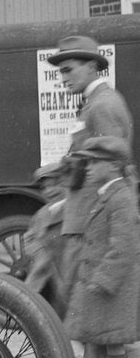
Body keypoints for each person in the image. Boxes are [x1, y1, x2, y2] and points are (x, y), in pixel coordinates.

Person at [61, 136, 140, 358]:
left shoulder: (120, 198)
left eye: (95, 162)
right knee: (110, 340)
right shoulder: (109, 194)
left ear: (115, 166)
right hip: (107, 283)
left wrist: (103, 280)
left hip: (114, 285)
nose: (89, 167)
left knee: (115, 340)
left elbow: (125, 246)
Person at [47, 35, 134, 238]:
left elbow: (111, 168)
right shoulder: (95, 101)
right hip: (86, 210)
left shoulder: (101, 105)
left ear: (92, 66)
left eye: (68, 70)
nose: (63, 79)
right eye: (61, 72)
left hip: (93, 219)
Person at [23, 162, 68, 317]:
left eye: (55, 185)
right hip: (50, 276)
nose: (50, 191)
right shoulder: (42, 214)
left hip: (71, 271)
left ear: (65, 183)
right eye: (45, 188)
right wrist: (40, 251)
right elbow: (29, 238)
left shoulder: (75, 209)